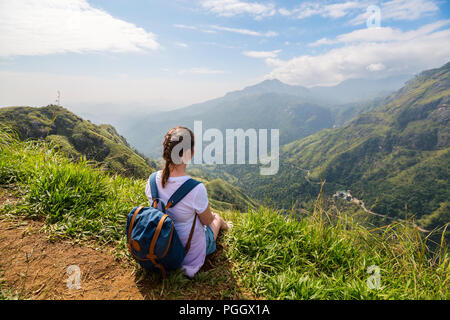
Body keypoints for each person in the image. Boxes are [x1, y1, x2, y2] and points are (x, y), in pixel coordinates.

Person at [145, 126, 230, 278]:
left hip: (160, 246)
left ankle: (226, 225)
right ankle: (227, 226)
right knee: (215, 218)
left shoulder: (152, 181)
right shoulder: (196, 189)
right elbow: (206, 221)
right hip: (187, 253)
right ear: (188, 154)